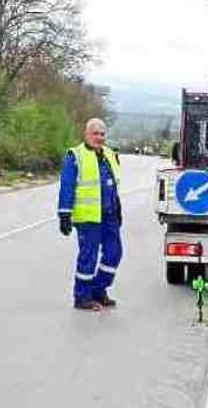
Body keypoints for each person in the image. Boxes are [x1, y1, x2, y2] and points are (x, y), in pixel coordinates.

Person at [57, 118, 123, 311]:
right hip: (88, 218)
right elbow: (67, 186)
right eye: (95, 133)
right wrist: (64, 214)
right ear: (86, 134)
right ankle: (82, 297)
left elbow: (113, 185)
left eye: (102, 134)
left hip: (109, 215)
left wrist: (118, 209)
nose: (99, 137)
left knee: (114, 253)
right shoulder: (74, 156)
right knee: (89, 257)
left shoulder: (110, 154)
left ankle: (98, 289)